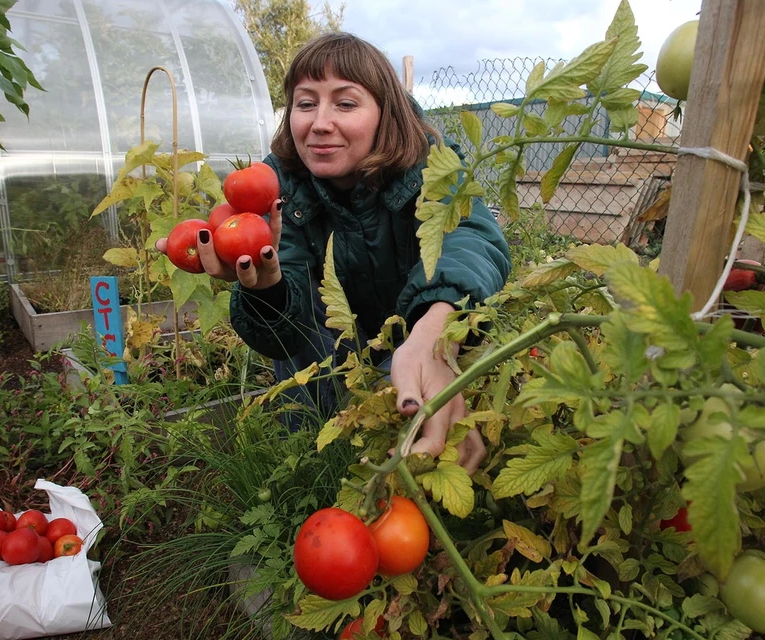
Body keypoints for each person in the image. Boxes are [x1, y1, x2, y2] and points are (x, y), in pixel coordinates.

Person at [159, 33, 511, 473]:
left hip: (415, 337)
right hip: (333, 351)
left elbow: (473, 239)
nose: (320, 122)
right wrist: (268, 294)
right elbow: (285, 337)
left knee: (415, 433)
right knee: (307, 379)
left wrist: (434, 339)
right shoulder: (276, 188)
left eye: (345, 104)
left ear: (386, 114)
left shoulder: (432, 166)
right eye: (306, 104)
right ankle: (310, 465)